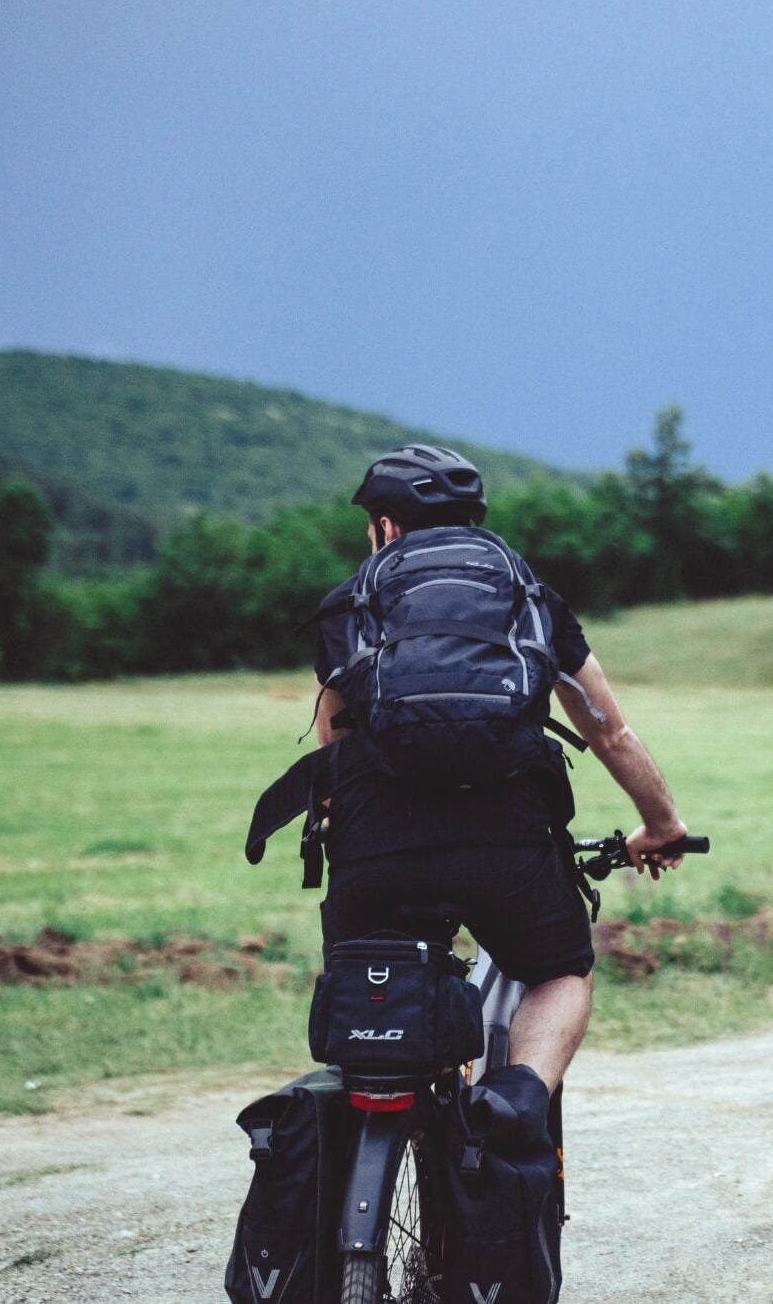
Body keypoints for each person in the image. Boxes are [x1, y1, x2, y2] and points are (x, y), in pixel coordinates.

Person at [311, 445, 689, 1097]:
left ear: (387, 524)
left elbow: (331, 748)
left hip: (377, 839)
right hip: (506, 836)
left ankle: (367, 1139)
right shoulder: (529, 596)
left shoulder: (351, 604)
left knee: (371, 974)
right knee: (558, 973)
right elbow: (609, 729)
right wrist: (662, 823)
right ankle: (516, 1099)